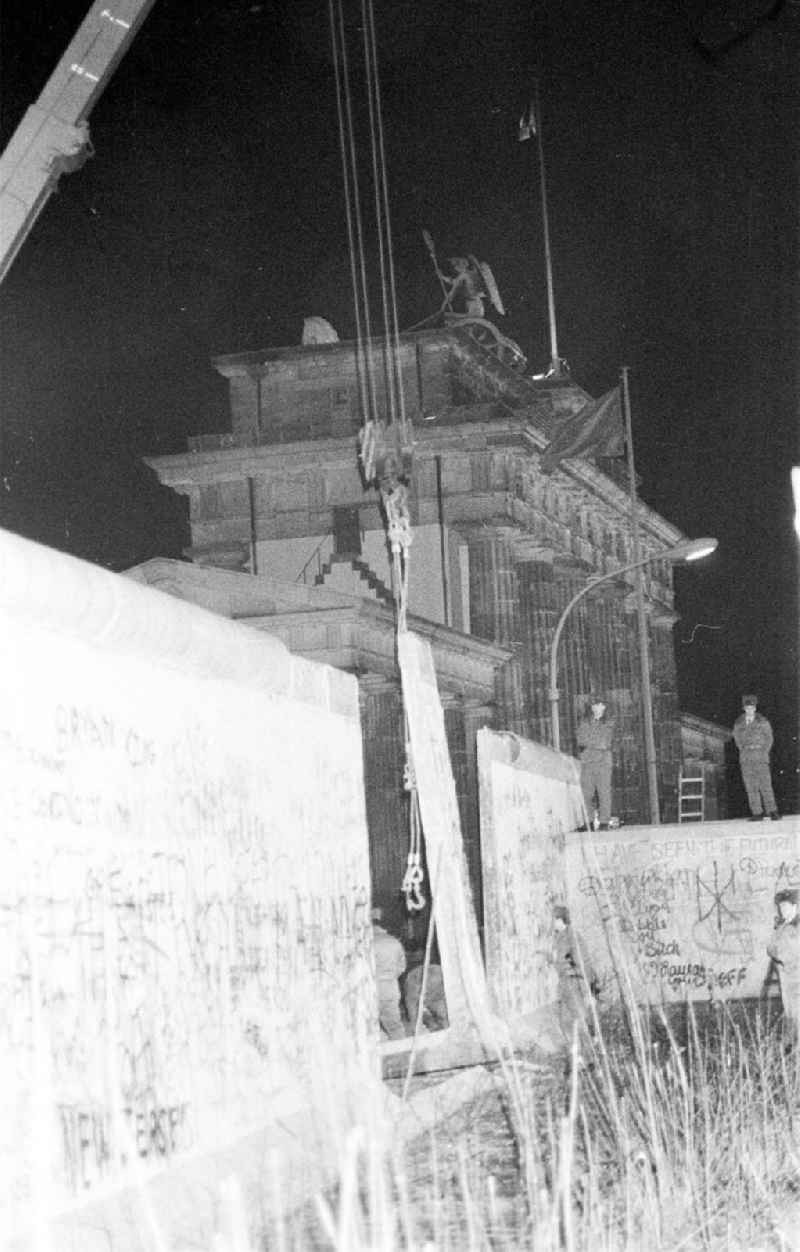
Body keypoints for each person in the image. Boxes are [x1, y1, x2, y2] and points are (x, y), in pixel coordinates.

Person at [553, 904, 598, 1045]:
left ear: (560, 920)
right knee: (564, 1020)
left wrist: (590, 987)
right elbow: (559, 959)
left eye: (554, 920)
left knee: (578, 1019)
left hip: (572, 982)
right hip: (564, 984)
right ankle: (578, 1056)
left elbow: (582, 961)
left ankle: (590, 1058)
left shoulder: (571, 937)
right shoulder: (560, 937)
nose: (552, 923)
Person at [732, 694, 779, 821]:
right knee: (750, 786)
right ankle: (757, 812)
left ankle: (772, 811)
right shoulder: (739, 723)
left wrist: (764, 752)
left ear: (755, 708)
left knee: (765, 784)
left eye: (752, 707)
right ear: (744, 708)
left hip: (760, 755)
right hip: (746, 756)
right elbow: (737, 739)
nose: (749, 709)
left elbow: (769, 738)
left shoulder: (763, 721)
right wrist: (743, 749)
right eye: (747, 707)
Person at [766, 887, 799, 1048]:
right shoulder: (783, 926)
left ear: (795, 906)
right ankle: (790, 1046)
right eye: (780, 907)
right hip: (787, 978)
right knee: (790, 1012)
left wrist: (781, 954)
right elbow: (770, 948)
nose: (782, 910)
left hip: (796, 976)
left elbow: (789, 952)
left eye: (785, 907)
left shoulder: (796, 926)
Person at [576, 697, 615, 829]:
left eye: (602, 704)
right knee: (586, 794)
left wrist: (590, 741)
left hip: (603, 763)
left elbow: (605, 742)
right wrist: (595, 742)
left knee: (604, 793)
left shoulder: (609, 722)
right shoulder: (584, 722)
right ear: (591, 707)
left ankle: (604, 821)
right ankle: (589, 821)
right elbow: (580, 740)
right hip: (587, 762)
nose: (599, 707)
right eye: (596, 704)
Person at [371, 906, 407, 1040]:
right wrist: (390, 977)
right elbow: (402, 967)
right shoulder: (395, 942)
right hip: (391, 987)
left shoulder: (366, 943)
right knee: (395, 1026)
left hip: (371, 989)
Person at [403, 961, 448, 1034]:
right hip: (420, 987)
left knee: (442, 1012)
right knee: (419, 1012)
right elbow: (411, 1006)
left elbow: (442, 999)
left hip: (435, 990)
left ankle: (443, 1026)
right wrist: (415, 1024)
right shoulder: (412, 982)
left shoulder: (441, 979)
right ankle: (433, 1026)